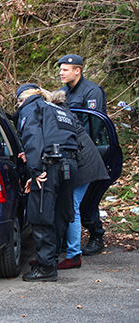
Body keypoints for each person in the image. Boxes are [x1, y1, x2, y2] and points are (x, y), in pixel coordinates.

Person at [12, 84, 78, 282]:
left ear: (22, 99)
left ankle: (46, 267)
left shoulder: (31, 108)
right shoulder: (59, 109)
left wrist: (36, 171)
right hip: (69, 165)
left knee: (40, 214)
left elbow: (33, 138)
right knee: (60, 214)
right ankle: (52, 259)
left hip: (49, 166)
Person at [49, 90, 110, 269]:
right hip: (85, 163)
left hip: (84, 166)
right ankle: (67, 249)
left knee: (72, 207)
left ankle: (74, 254)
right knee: (70, 206)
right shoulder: (66, 113)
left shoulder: (59, 116)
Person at [58, 54, 108, 256]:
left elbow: (95, 125)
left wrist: (84, 150)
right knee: (75, 198)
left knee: (86, 197)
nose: (61, 73)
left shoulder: (92, 91)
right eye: (60, 69)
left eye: (65, 70)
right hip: (70, 151)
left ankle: (96, 234)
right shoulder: (62, 92)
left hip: (89, 150)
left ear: (77, 70)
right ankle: (72, 238)